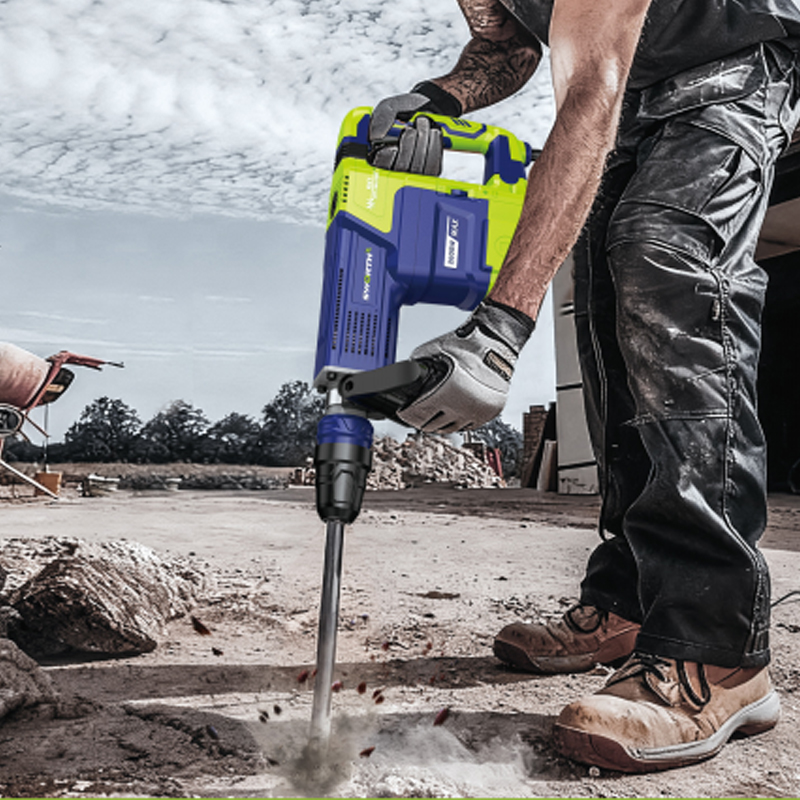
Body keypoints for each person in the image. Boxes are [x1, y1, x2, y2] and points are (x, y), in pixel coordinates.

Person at [367, 0, 800, 773]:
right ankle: (630, 603)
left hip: (740, 64)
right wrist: (440, 96)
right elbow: (508, 49)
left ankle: (718, 646)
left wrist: (501, 327)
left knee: (664, 259)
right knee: (603, 301)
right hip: (640, 89)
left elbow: (591, 79)